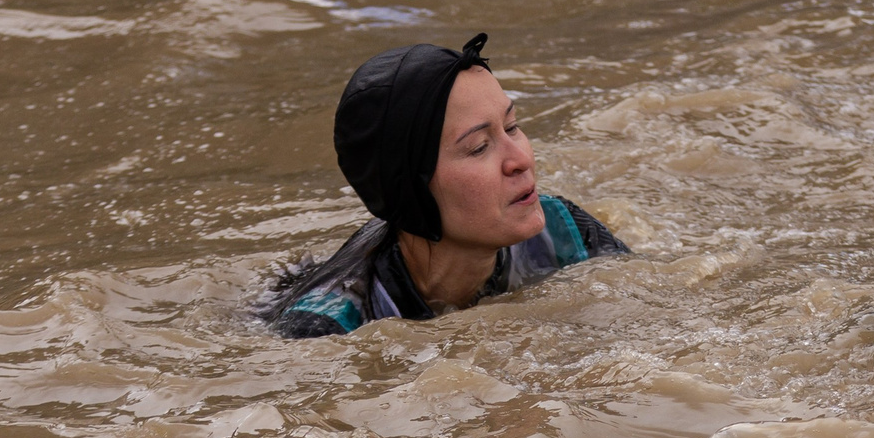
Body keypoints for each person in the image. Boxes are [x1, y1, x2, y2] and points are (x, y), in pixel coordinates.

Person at [261, 33, 629, 338]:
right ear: (412, 190)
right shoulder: (327, 327)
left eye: (512, 126)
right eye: (479, 147)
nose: (521, 159)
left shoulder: (565, 230)